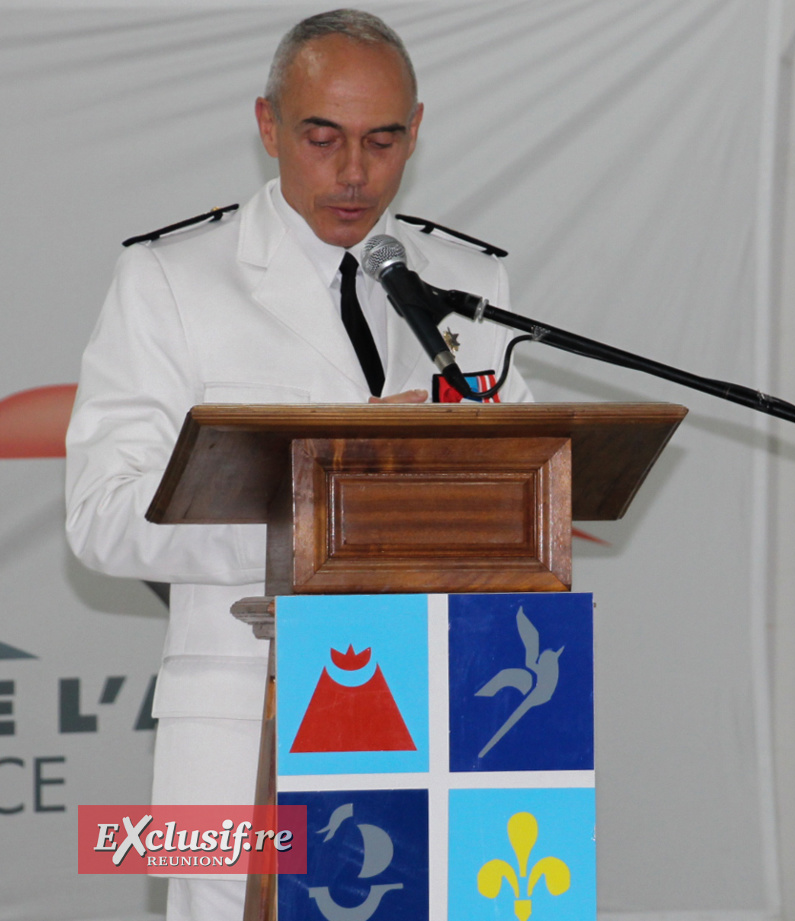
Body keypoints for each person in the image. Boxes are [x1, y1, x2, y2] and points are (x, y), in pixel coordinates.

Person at [64, 10, 530, 920]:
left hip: (440, 718)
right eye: (322, 137)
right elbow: (100, 515)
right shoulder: (172, 280)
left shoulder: (469, 287)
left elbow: (513, 505)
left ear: (416, 132)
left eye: (382, 140)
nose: (354, 172)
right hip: (247, 739)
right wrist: (328, 497)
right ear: (268, 124)